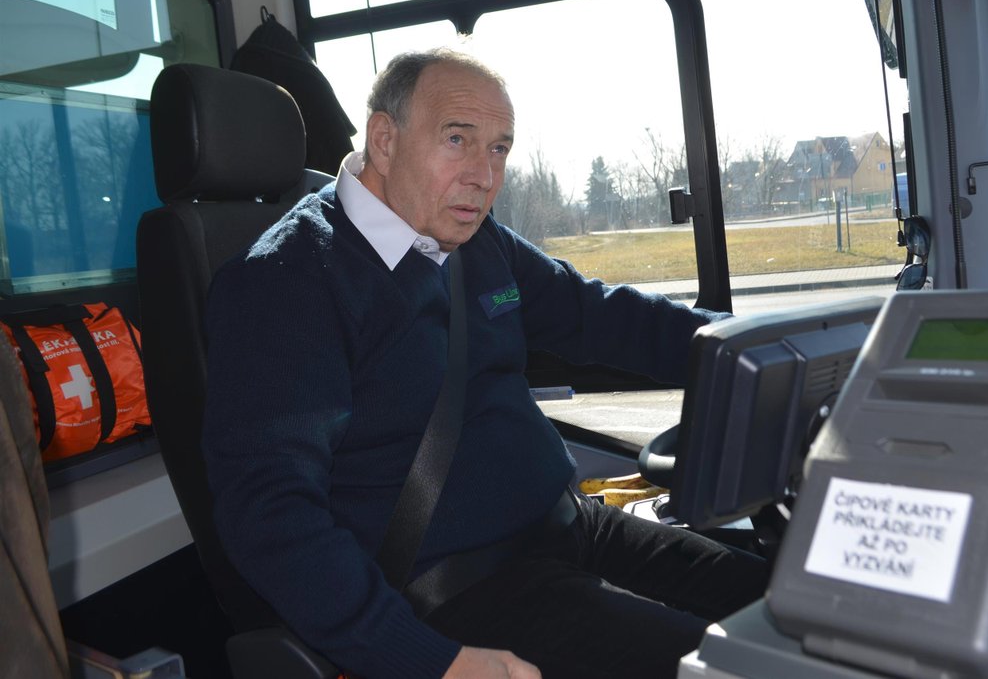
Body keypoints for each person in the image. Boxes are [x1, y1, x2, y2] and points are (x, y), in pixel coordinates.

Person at [203, 48, 767, 679]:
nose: (484, 175)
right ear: (384, 141)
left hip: (573, 527)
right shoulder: (286, 281)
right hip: (457, 589)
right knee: (739, 668)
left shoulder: (472, 237)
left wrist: (750, 346)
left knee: (789, 606)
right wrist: (429, 662)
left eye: (499, 148)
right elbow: (271, 516)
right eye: (456, 140)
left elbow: (598, 315)